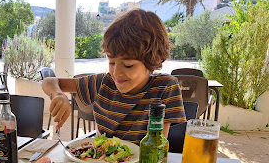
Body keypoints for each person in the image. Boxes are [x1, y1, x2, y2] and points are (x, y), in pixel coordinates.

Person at [41, 9, 186, 144]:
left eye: (128, 65)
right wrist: (59, 94)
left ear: (155, 59)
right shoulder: (102, 83)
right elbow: (49, 81)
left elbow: (157, 145)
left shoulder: (166, 87)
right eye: (111, 62)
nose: (116, 73)